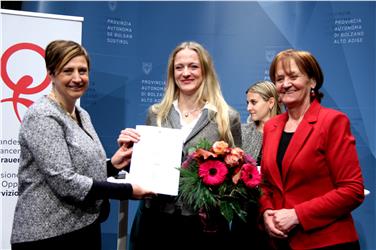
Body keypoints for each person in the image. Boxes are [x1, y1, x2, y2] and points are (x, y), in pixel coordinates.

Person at [11, 40, 153, 250]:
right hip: (47, 236)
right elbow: (65, 181)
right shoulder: (42, 116)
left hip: (82, 227)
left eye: (82, 70)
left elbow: (79, 170)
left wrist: (113, 164)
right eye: (68, 71)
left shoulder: (81, 114)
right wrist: (127, 190)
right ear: (51, 74)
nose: (77, 78)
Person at [118, 41, 242, 250]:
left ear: (205, 70)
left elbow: (236, 172)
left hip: (204, 225)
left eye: (193, 66)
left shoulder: (226, 117)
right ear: (172, 73)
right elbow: (144, 167)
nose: (186, 73)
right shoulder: (156, 113)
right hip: (155, 220)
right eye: (179, 67)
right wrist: (129, 153)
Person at [260, 48, 365, 249]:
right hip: (280, 243)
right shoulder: (271, 127)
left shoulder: (332, 122)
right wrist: (266, 213)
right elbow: (266, 183)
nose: (285, 84)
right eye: (279, 78)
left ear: (312, 81)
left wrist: (297, 215)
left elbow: (352, 190)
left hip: (327, 242)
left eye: (293, 76)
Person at [231, 80, 282, 249]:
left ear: (270, 102)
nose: (248, 108)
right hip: (244, 214)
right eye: (247, 103)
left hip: (276, 214)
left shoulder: (287, 133)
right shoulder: (242, 132)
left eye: (253, 102)